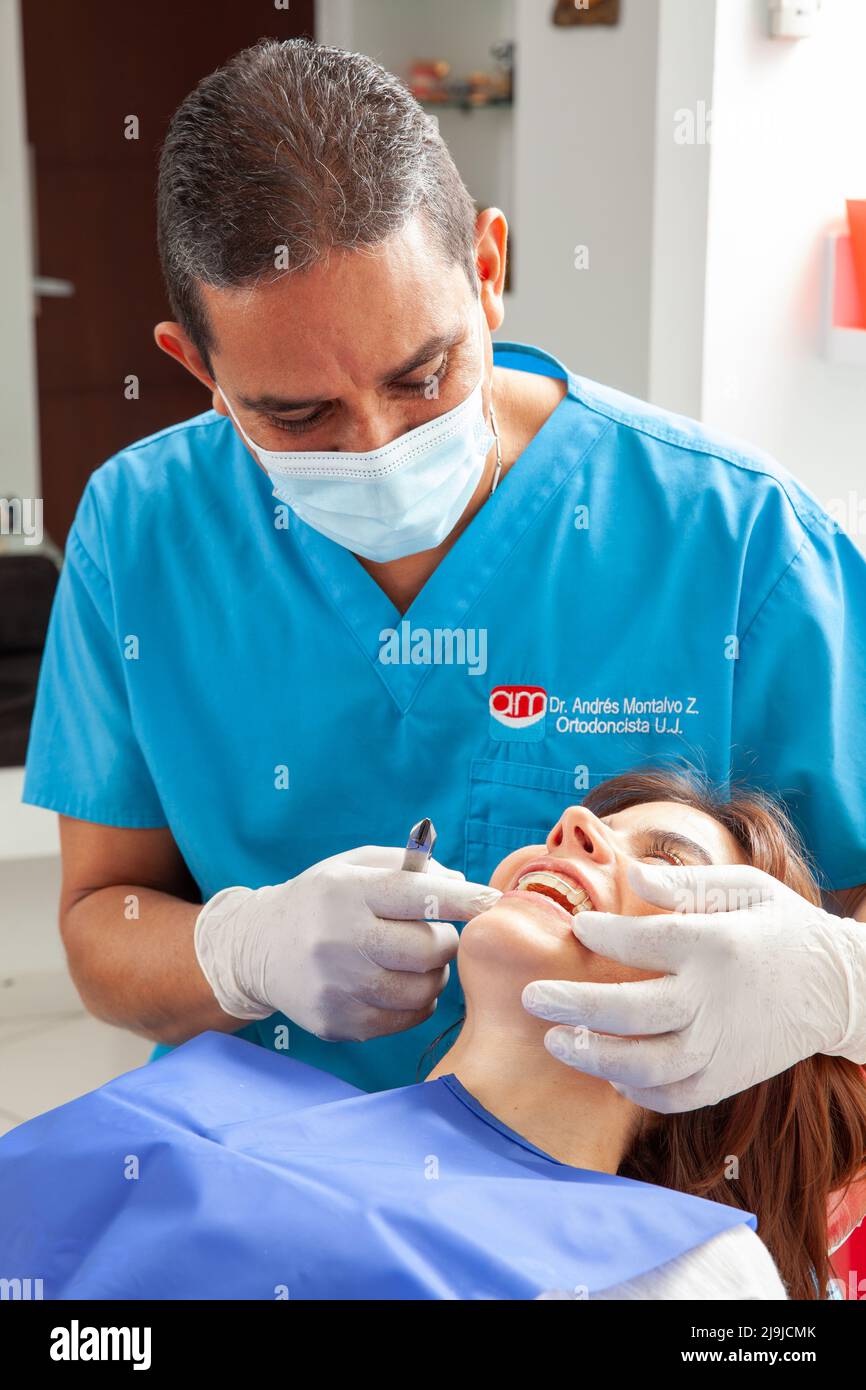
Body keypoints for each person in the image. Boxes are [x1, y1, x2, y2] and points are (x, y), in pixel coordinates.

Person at [22, 39, 866, 1109]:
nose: (378, 443)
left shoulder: (737, 540)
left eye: (422, 375)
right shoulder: (143, 528)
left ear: (487, 268)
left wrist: (838, 984)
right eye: (300, 416)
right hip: (260, 1159)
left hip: (631, 1186)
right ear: (199, 370)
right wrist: (240, 950)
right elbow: (106, 921)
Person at [2, 769, 862, 1299]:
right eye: (581, 825)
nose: (573, 824)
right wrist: (238, 943)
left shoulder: (682, 1269)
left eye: (668, 865)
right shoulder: (216, 1091)